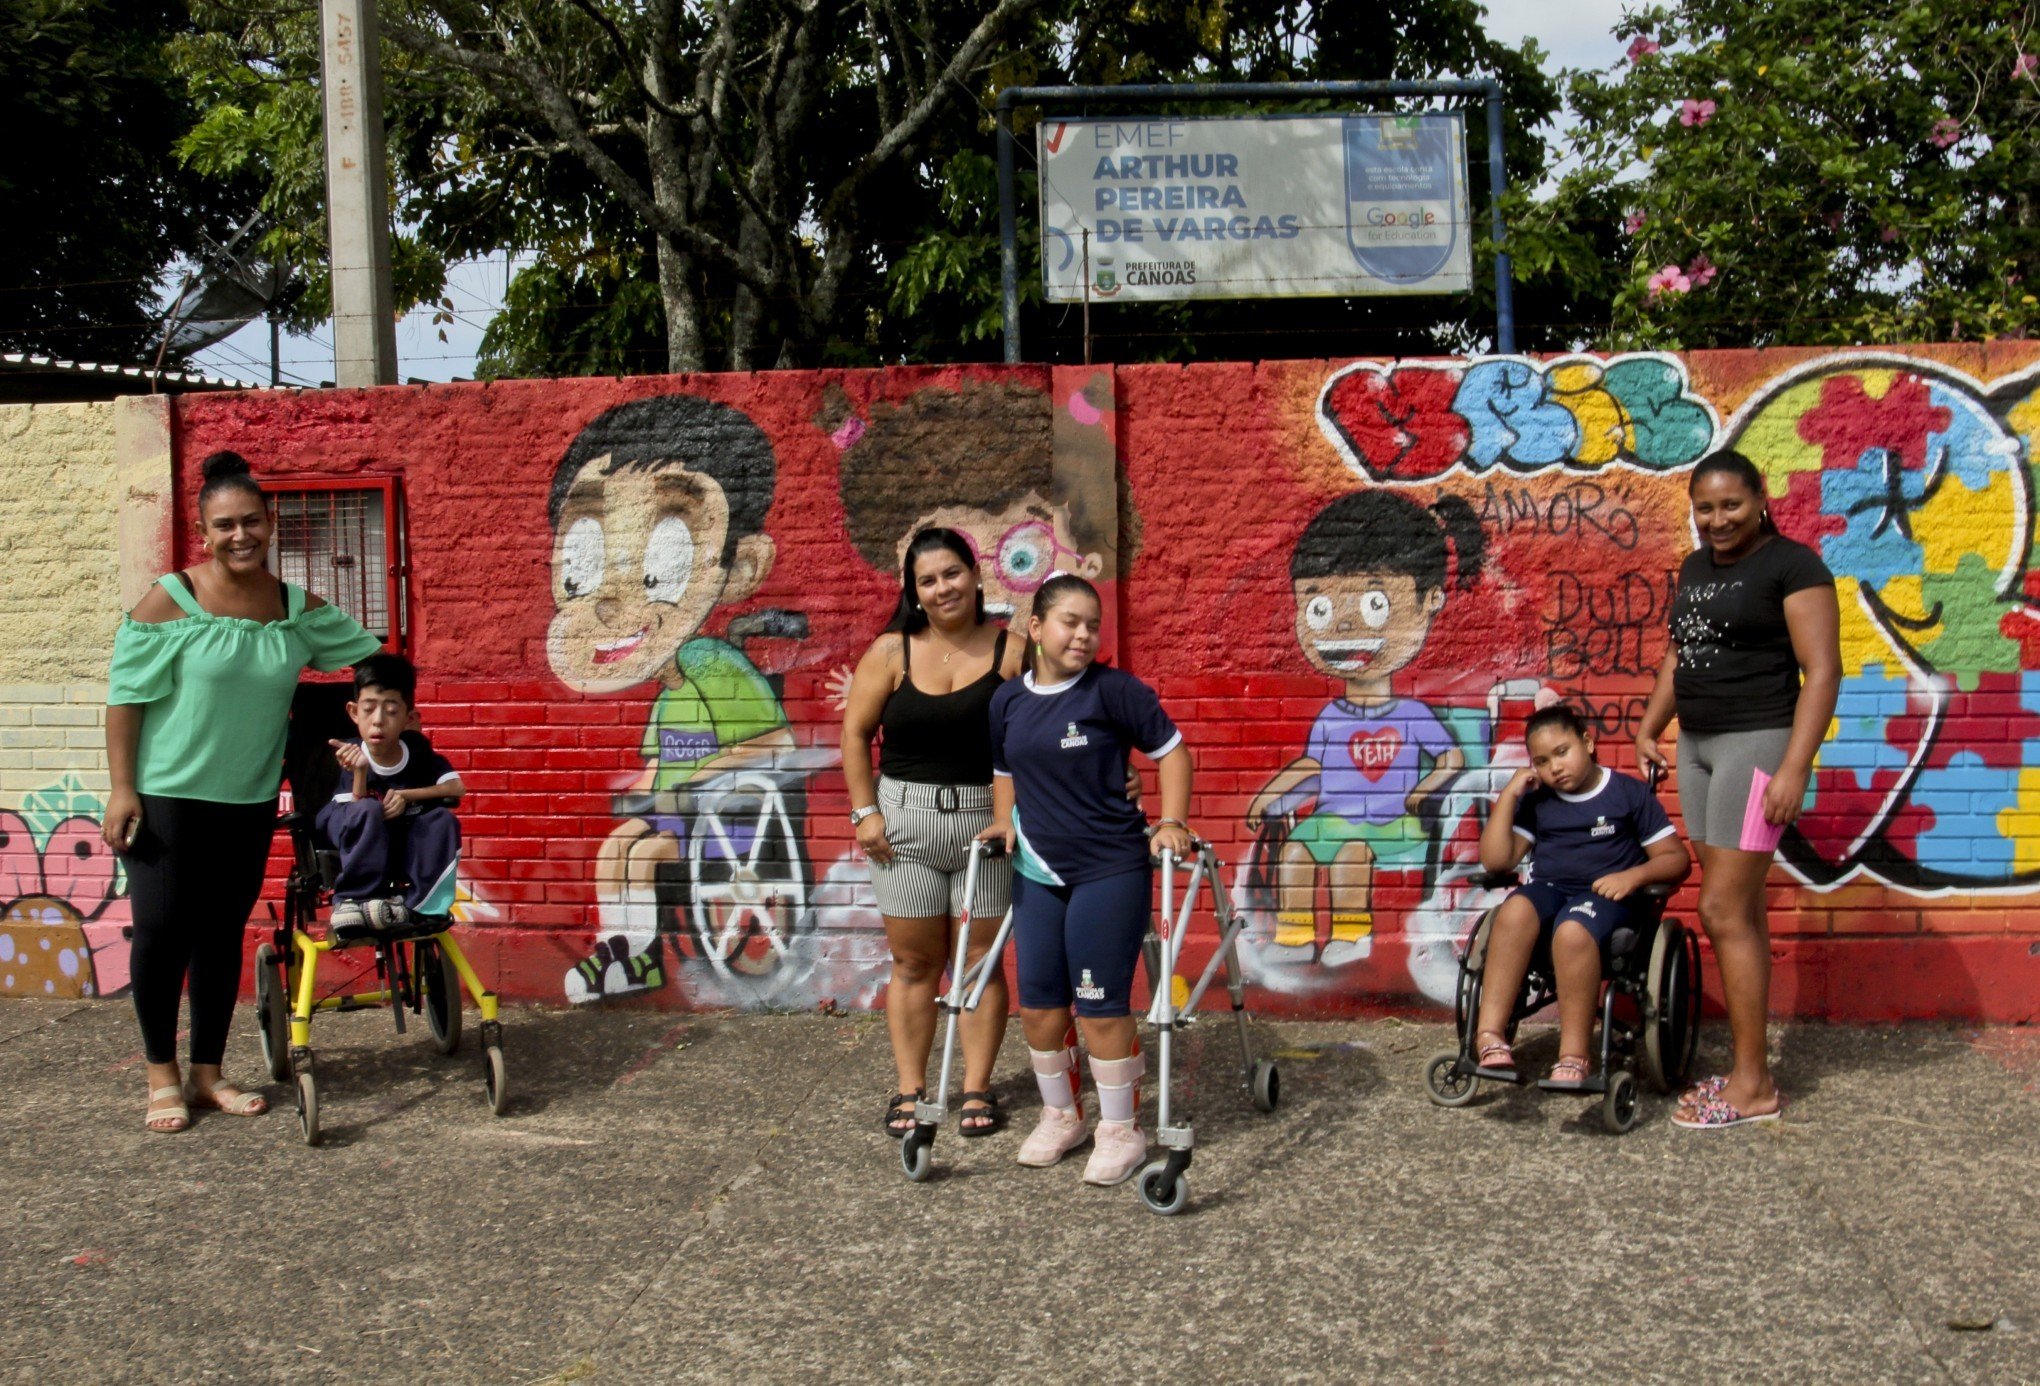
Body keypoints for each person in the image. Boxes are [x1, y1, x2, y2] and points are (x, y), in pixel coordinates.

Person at [105, 451, 384, 1133]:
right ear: (204, 532)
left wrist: (377, 719)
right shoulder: (171, 600)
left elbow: (369, 656)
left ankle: (208, 1073)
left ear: (270, 523)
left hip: (249, 800)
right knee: (162, 933)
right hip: (167, 796)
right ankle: (160, 1075)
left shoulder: (293, 609)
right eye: (224, 525)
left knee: (220, 935)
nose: (240, 536)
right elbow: (125, 700)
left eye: (251, 522)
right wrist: (121, 788)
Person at [545, 395, 795, 1003]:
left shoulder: (713, 662)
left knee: (645, 849)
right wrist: (648, 783)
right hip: (682, 813)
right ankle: (624, 955)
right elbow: (662, 759)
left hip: (728, 819)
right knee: (617, 846)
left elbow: (775, 743)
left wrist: (702, 775)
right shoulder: (671, 690)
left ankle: (635, 958)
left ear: (743, 566)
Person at [1635, 449, 1840, 1130]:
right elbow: (1680, 651)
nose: (1717, 520)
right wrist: (1651, 725)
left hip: (1758, 745)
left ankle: (1752, 1085)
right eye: (1705, 507)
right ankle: (1750, 1071)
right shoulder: (1696, 568)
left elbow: (1823, 671)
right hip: (1697, 746)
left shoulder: (1793, 565)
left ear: (1759, 500)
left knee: (1722, 911)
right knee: (1738, 910)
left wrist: (1795, 767)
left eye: (1731, 505)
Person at [981, 573, 1194, 1187]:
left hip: (1109, 867)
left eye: (1090, 624)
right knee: (1041, 1005)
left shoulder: (1114, 692)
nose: (1082, 633)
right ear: (1036, 628)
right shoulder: (1007, 701)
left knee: (1100, 1006)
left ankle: (1121, 1130)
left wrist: (1172, 820)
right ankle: (1061, 1116)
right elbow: (1003, 768)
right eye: (1069, 621)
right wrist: (1002, 820)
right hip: (1036, 871)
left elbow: (1173, 754)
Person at [1246, 490, 1484, 966]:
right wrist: (1267, 795)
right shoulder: (1331, 717)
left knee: (1352, 855)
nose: (1344, 625)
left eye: (1375, 603)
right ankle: (1294, 937)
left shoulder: (1413, 714)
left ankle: (1351, 937)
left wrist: (1427, 789)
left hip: (1396, 824)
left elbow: (1451, 757)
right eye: (1318, 609)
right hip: (1331, 818)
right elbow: (1312, 765)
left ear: (1430, 600)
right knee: (1294, 851)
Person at [840, 528, 1026, 1137]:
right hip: (904, 828)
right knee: (915, 963)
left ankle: (976, 1087)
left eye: (952, 573)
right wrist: (864, 812)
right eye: (927, 580)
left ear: (976, 576)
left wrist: (1114, 771)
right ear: (914, 593)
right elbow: (855, 734)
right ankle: (911, 1090)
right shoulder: (892, 651)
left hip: (988, 823)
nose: (942, 587)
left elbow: (1061, 716)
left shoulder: (1013, 653)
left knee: (978, 963)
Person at [1472, 705, 1690, 1087]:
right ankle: (1489, 1037)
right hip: (1552, 890)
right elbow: (1495, 860)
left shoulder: (1627, 794)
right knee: (1515, 910)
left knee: (1572, 930)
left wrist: (1634, 875)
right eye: (1541, 761)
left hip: (1607, 898)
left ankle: (1574, 1056)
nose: (1554, 767)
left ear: (1587, 743)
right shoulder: (1539, 802)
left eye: (1562, 751)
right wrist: (1509, 795)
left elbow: (1676, 860)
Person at [316, 653, 466, 937]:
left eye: (391, 711)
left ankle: (420, 905)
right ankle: (354, 900)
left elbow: (456, 788)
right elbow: (356, 812)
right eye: (369, 709)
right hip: (347, 824)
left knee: (441, 819)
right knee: (368, 810)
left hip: (398, 834)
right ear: (353, 712)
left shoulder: (417, 751)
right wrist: (360, 771)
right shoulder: (347, 752)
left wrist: (405, 795)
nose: (378, 721)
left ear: (409, 718)